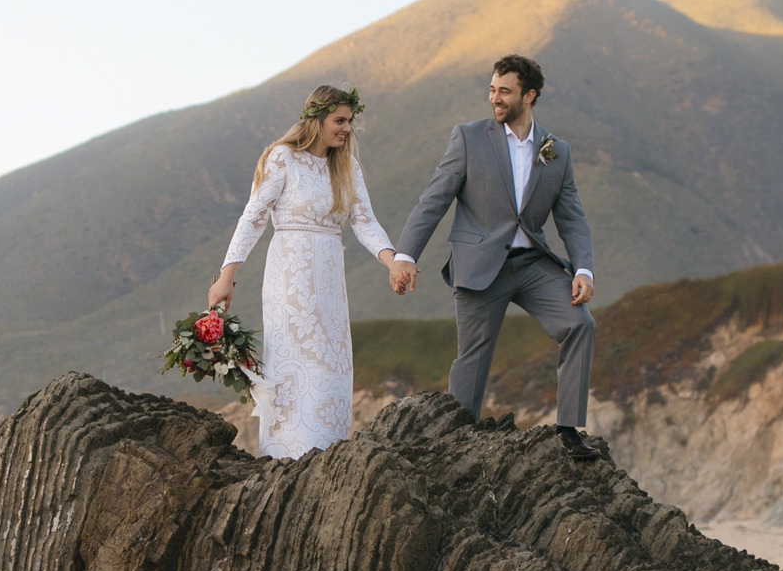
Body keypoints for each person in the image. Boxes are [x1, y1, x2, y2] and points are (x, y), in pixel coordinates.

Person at [391, 54, 599, 460]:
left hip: (533, 265)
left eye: (504, 91)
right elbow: (434, 199)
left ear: (529, 95)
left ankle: (568, 430)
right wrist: (404, 255)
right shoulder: (468, 138)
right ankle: (454, 445)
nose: (495, 98)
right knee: (473, 359)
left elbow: (572, 217)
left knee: (580, 325)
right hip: (481, 263)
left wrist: (584, 268)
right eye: (492, 89)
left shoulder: (557, 152)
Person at [208, 85, 400, 459]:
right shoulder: (282, 158)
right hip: (290, 276)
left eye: (350, 121)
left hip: (329, 277)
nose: (346, 129)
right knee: (295, 365)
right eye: (339, 121)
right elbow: (254, 217)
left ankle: (324, 453)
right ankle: (285, 455)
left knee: (331, 365)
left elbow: (364, 221)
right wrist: (227, 275)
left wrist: (392, 261)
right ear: (317, 120)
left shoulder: (347, 167)